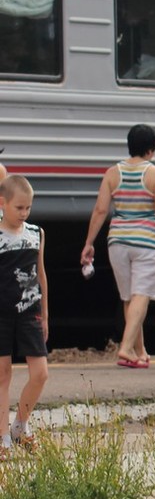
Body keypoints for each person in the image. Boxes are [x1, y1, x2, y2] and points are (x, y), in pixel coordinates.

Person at [81, 124, 155, 368]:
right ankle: (126, 347)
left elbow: (101, 210)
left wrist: (89, 242)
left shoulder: (113, 173)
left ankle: (139, 353)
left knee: (129, 296)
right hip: (147, 241)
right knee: (142, 295)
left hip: (117, 242)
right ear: (151, 150)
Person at [0, 175, 47, 450]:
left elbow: (41, 275)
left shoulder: (36, 233)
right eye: (19, 208)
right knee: (3, 374)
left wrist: (46, 314)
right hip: (1, 313)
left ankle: (20, 424)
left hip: (31, 311)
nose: (24, 213)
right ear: (2, 204)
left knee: (40, 373)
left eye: (28, 208)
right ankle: (3, 438)